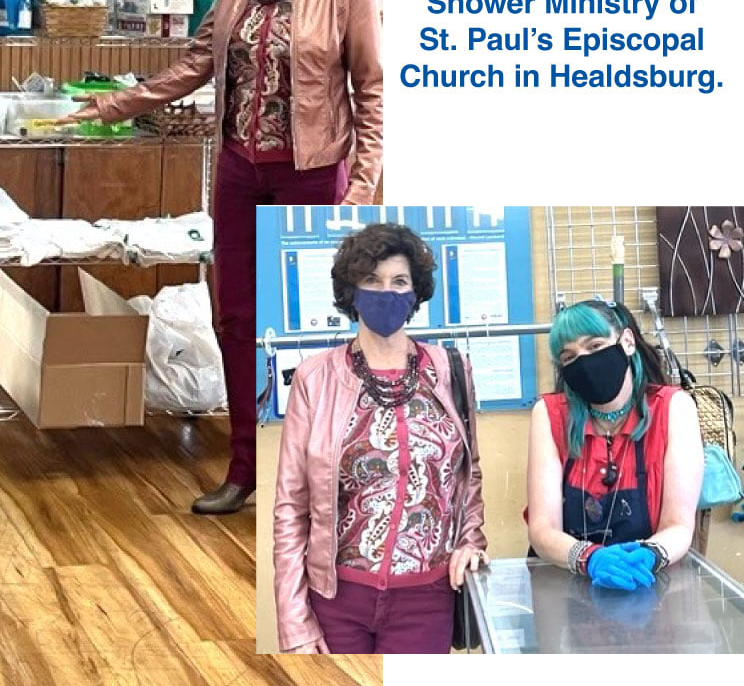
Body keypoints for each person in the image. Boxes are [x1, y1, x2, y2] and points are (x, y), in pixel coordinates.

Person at [63, 0, 384, 515]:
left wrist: (361, 186)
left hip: (311, 173)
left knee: (312, 324)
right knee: (236, 319)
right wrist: (115, 104)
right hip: (239, 168)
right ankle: (245, 466)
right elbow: (196, 62)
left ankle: (321, 472)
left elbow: (371, 89)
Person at [272, 224, 488, 654]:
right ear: (351, 291)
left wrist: (471, 542)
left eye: (399, 281)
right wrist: (294, 624)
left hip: (427, 601)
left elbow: (469, 474)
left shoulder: (451, 370)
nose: (386, 293)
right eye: (372, 280)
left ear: (415, 292)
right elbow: (291, 508)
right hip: (336, 600)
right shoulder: (316, 378)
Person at [526, 299, 704, 590]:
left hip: (649, 582)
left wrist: (649, 555)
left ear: (627, 342)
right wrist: (589, 558)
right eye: (569, 357)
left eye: (595, 346)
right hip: (568, 585)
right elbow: (542, 529)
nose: (584, 362)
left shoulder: (674, 409)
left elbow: (679, 525)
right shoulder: (550, 414)